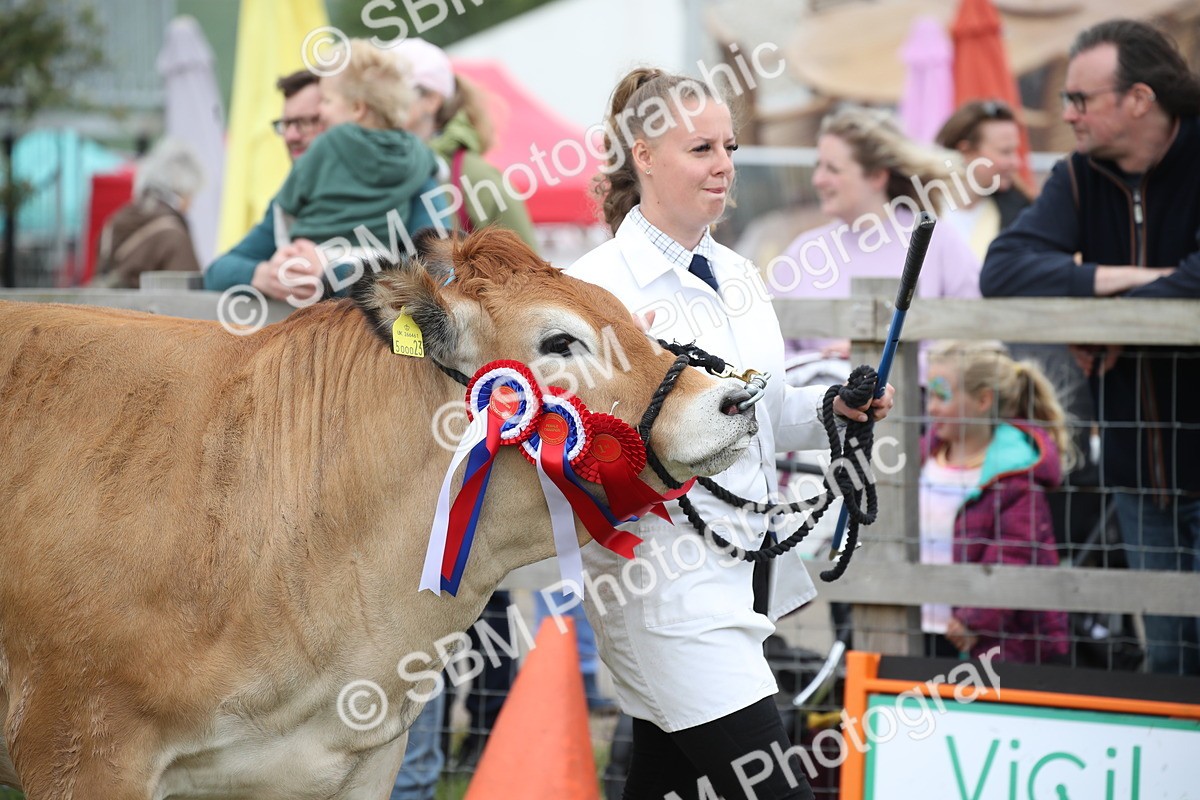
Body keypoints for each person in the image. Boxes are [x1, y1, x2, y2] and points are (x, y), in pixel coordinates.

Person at [566, 67, 894, 800]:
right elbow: (575, 450)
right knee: (772, 786)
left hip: (743, 576)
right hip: (663, 589)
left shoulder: (740, 273)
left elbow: (762, 414)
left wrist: (831, 408)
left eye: (730, 148)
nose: (723, 166)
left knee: (665, 780)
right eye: (701, 149)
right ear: (644, 156)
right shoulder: (593, 290)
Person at [980, 19, 1200, 676]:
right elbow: (1003, 269)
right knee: (1170, 663)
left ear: (1139, 99)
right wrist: (1124, 282)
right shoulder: (1078, 175)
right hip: (1137, 476)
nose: (1067, 113)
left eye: (1081, 99)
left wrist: (1111, 320)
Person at [774, 106, 981, 358]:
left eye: (833, 169)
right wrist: (822, 365)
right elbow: (770, 351)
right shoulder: (803, 252)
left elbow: (973, 343)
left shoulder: (937, 242)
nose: (817, 180)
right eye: (818, 166)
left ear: (877, 176)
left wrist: (874, 357)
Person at [920, 341, 1072, 664]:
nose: (930, 408)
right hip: (919, 626)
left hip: (984, 641)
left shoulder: (1015, 475)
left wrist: (974, 620)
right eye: (928, 395)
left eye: (941, 396)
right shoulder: (923, 458)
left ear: (983, 400)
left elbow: (1013, 556)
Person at [274, 38, 438, 250]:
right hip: (377, 256)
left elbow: (287, 201)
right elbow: (437, 167)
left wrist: (285, 249)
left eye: (326, 101)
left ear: (357, 109)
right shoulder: (416, 150)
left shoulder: (329, 142)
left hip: (317, 249)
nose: (320, 111)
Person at [391, 37, 537, 245]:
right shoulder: (368, 166)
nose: (379, 101)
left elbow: (527, 264)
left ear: (431, 100)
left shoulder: (479, 178)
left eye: (394, 91)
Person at [202, 70, 328, 299]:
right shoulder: (287, 202)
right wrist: (265, 274)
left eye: (305, 122)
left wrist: (327, 275)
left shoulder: (390, 185)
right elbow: (216, 272)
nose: (290, 136)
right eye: (286, 124)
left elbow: (400, 281)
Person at [94, 137, 203, 288]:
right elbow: (188, 294)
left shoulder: (115, 221)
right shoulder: (174, 235)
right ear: (179, 191)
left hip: (104, 303)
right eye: (189, 195)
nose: (191, 204)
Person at [934, 100, 1033, 263]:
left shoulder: (1022, 214)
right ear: (966, 152)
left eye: (1015, 151)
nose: (1016, 162)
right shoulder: (915, 208)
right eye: (1005, 151)